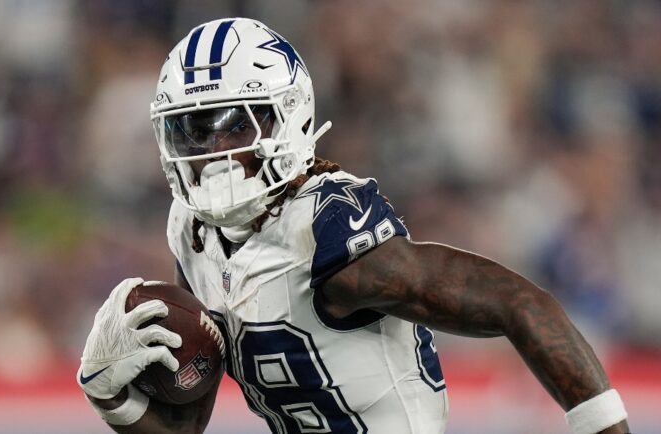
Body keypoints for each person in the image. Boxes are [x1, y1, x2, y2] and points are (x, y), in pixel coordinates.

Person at [76, 18, 630, 434]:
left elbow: (521, 304)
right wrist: (114, 400)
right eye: (195, 131)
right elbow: (189, 418)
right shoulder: (192, 231)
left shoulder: (327, 228)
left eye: (235, 125)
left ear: (288, 115)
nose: (216, 150)